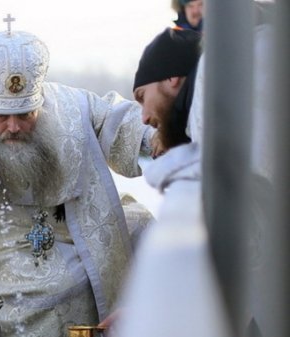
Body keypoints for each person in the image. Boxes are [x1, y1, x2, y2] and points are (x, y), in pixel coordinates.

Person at [0, 25, 156, 336]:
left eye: (26, 114)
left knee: (151, 235)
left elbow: (124, 123)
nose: (14, 127)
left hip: (82, 221)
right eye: (1, 117)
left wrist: (161, 134)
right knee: (54, 291)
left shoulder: (74, 106)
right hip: (11, 237)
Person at [113, 6, 275, 335]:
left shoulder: (219, 85)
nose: (143, 117)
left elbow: (256, 184)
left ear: (172, 78)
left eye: (143, 97)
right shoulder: (215, 92)